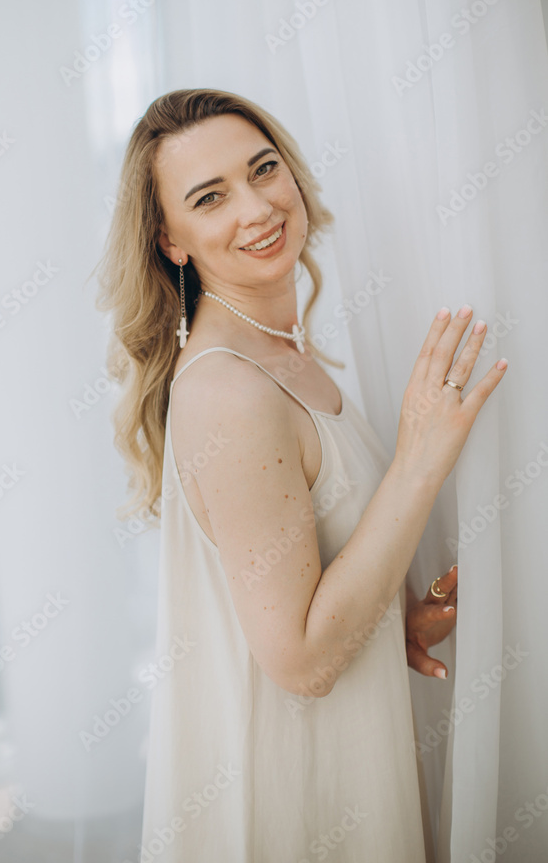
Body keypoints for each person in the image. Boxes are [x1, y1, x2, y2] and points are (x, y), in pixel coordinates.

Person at [94, 88, 508, 862]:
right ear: (170, 241)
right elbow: (301, 663)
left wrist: (395, 615)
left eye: (262, 169)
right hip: (298, 799)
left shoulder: (281, 351)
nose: (257, 208)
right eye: (210, 197)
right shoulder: (229, 390)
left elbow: (304, 588)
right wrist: (419, 459)